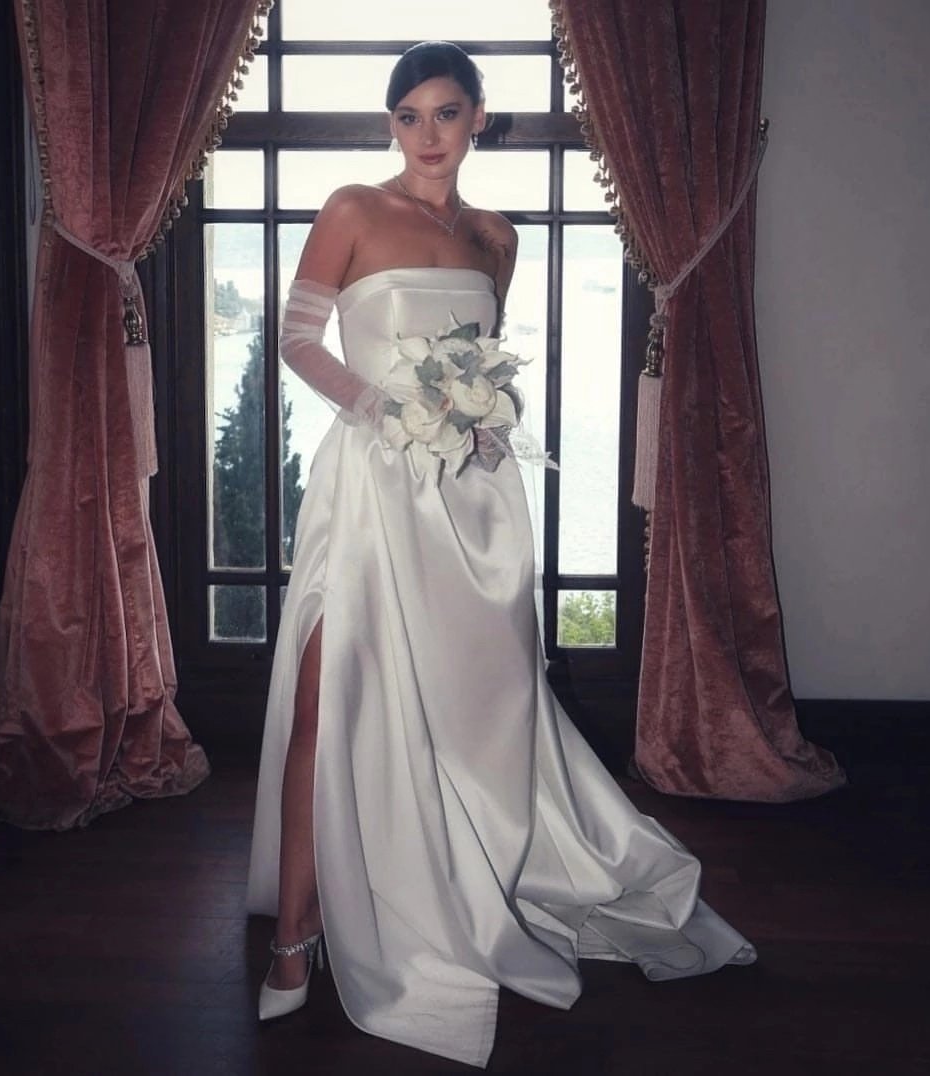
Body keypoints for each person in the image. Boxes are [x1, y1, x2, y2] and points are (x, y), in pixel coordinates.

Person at [246, 41, 755, 1069]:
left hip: (470, 497)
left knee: (467, 705)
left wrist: (478, 422)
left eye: (445, 112)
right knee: (325, 693)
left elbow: (481, 362)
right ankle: (297, 931)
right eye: (407, 115)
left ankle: (440, 871)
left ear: (479, 117)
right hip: (370, 486)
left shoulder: (496, 236)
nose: (425, 133)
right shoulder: (352, 207)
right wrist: (384, 409)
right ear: (391, 125)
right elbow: (297, 340)